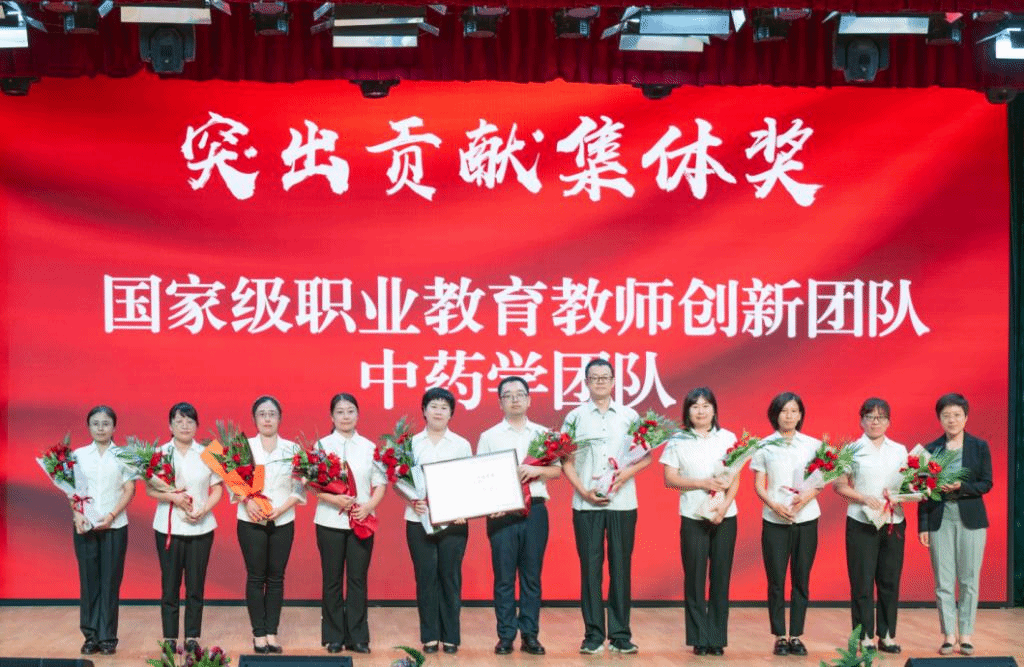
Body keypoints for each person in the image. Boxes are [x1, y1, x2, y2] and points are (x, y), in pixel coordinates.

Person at [562, 358, 649, 655]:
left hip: (622, 503)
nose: (600, 382)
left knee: (621, 568)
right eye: (594, 377)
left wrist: (625, 474)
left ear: (613, 381)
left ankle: (621, 635)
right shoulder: (575, 417)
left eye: (605, 377)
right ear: (586, 382)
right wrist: (583, 491)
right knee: (590, 570)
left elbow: (646, 456)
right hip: (585, 505)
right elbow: (565, 460)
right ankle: (593, 635)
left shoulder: (629, 415)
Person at [477, 376, 561, 656]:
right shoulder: (489, 436)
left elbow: (557, 470)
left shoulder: (543, 435)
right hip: (502, 513)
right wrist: (491, 503)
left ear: (529, 399)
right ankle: (505, 636)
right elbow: (481, 476)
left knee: (531, 576)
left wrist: (537, 470)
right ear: (500, 402)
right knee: (503, 578)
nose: (515, 399)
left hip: (535, 510)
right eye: (508, 395)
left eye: (520, 394)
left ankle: (530, 635)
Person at [660, 387, 739, 656]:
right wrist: (701, 483)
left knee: (721, 577)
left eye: (706, 405)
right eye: (695, 406)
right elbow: (670, 479)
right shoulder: (677, 440)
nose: (701, 411)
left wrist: (724, 507)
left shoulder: (728, 438)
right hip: (693, 515)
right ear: (687, 411)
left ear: (714, 409)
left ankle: (716, 638)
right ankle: (698, 638)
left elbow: (735, 477)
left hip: (725, 516)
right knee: (694, 578)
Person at [918, 393, 992, 656]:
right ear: (939, 419)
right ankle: (949, 635)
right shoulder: (930, 450)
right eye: (946, 415)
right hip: (940, 517)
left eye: (957, 415)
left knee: (970, 579)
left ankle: (966, 635)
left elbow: (986, 483)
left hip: (971, 518)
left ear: (966, 417)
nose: (952, 420)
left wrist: (962, 486)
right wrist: (923, 526)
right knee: (943, 580)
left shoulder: (979, 446)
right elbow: (922, 490)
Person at [834, 398, 909, 654]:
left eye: (880, 417)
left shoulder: (900, 450)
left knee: (889, 581)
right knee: (862, 582)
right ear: (861, 421)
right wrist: (863, 497)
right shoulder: (851, 449)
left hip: (893, 521)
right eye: (869, 417)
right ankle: (864, 636)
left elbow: (910, 484)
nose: (875, 422)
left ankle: (887, 635)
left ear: (888, 422)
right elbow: (839, 485)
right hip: (861, 521)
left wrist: (902, 495)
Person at [750, 392, 822, 657]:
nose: (789, 416)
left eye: (794, 411)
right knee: (776, 580)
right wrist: (773, 505)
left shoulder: (813, 445)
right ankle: (780, 635)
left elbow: (820, 482)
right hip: (775, 521)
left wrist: (805, 499)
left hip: (806, 519)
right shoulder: (764, 446)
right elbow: (759, 485)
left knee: (801, 579)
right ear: (775, 415)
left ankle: (797, 635)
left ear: (800, 415)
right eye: (783, 411)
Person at [314, 393, 386, 654]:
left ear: (358, 415)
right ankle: (334, 636)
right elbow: (312, 485)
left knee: (357, 579)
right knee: (332, 580)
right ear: (332, 416)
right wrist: (334, 500)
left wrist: (368, 507)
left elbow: (380, 484)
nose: (346, 416)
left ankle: (358, 637)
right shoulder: (321, 446)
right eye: (340, 412)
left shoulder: (369, 447)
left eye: (350, 411)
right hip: (329, 521)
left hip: (361, 521)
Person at [148, 402, 223, 654]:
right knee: (169, 586)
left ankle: (192, 636)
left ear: (196, 426)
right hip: (168, 527)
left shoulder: (208, 453)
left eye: (190, 421)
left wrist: (204, 509)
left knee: (195, 586)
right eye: (179, 421)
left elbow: (218, 489)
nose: (184, 425)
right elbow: (149, 489)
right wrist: (173, 497)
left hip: (201, 527)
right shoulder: (159, 453)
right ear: (170, 426)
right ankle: (169, 637)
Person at [236, 395, 306, 654]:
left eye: (272, 414)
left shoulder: (292, 449)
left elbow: (299, 487)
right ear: (254, 419)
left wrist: (282, 509)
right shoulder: (243, 447)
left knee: (276, 578)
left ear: (280, 418)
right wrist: (247, 501)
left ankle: (272, 632)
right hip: (251, 520)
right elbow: (233, 482)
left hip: (283, 519)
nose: (267, 419)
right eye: (262, 414)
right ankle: (258, 633)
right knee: (256, 577)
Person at [405, 387, 472, 655]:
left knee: (450, 577)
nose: (438, 412)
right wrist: (412, 499)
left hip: (454, 521)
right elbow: (400, 481)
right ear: (424, 410)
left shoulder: (461, 444)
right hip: (418, 519)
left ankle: (451, 636)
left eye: (444, 407)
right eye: (433, 406)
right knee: (425, 578)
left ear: (451, 413)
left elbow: (469, 480)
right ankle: (430, 636)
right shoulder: (410, 444)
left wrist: (463, 508)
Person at [72, 405, 136, 656]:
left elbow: (129, 490)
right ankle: (90, 636)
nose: (101, 428)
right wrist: (77, 514)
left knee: (110, 582)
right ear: (89, 427)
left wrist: (111, 516)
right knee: (89, 582)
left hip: (115, 526)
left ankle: (108, 637)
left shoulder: (123, 455)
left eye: (106, 423)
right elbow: (71, 490)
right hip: (85, 526)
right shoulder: (78, 455)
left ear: (114, 427)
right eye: (96, 423)